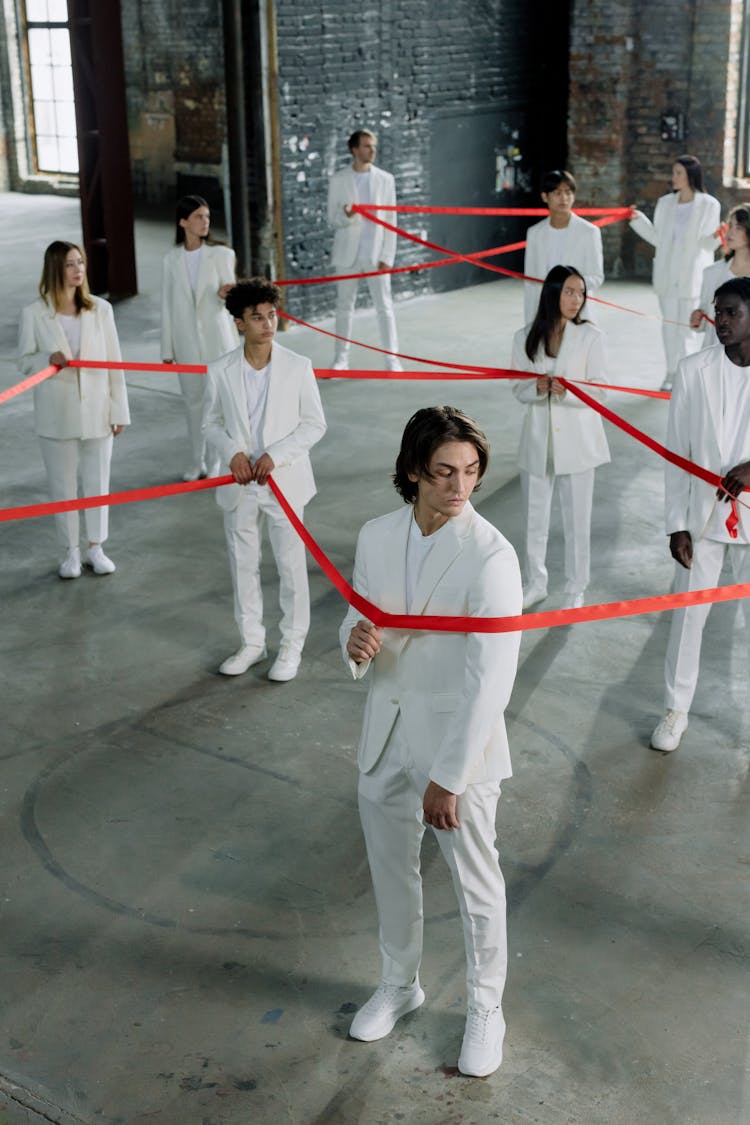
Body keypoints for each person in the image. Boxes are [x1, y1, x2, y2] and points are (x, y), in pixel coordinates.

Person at [340, 406, 522, 1078]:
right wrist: (353, 643)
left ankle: (485, 1008)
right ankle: (399, 982)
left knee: (476, 884)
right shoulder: (376, 534)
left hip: (456, 751)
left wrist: (449, 775)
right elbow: (361, 612)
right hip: (384, 735)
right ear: (414, 470)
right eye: (445, 472)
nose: (460, 487)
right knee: (390, 869)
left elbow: (490, 680)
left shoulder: (492, 557)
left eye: (471, 471)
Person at [203, 278, 327, 681]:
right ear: (239, 323)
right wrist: (232, 454)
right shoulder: (220, 369)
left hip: (284, 481)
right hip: (240, 485)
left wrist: (277, 456)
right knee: (243, 565)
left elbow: (314, 425)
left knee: (291, 566)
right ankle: (252, 643)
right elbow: (211, 422)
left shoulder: (297, 366)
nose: (267, 323)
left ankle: (291, 645)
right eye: (257, 317)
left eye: (271, 315)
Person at [651, 277, 750, 752]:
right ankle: (676, 710)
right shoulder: (693, 370)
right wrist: (676, 523)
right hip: (702, 518)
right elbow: (676, 452)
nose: (722, 322)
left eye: (732, 312)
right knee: (689, 617)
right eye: (718, 312)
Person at [18, 240, 130, 579]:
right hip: (57, 414)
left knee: (97, 481)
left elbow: (115, 363)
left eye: (80, 262)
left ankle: (96, 546)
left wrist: (119, 411)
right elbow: (23, 361)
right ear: (55, 268)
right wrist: (45, 360)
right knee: (62, 484)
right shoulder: (34, 313)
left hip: (97, 410)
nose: (78, 269)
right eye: (70, 264)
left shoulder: (101, 309)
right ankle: (70, 551)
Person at [512, 265, 610, 610]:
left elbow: (601, 392)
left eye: (581, 292)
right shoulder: (526, 335)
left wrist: (568, 391)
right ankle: (535, 582)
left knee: (576, 520)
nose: (576, 299)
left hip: (579, 444)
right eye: (569, 291)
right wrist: (535, 388)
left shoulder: (591, 336)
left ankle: (575, 587)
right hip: (539, 442)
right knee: (534, 519)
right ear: (552, 293)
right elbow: (517, 388)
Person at [161, 194, 238, 481]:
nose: (205, 222)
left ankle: (216, 461)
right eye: (198, 217)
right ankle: (197, 461)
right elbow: (167, 306)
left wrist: (224, 296)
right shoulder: (171, 260)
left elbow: (232, 300)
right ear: (183, 222)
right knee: (193, 403)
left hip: (218, 342)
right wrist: (166, 348)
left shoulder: (222, 255)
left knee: (217, 404)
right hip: (186, 343)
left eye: (207, 216)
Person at [629, 154, 721, 388]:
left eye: (678, 173)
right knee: (669, 326)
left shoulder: (709, 205)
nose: (674, 177)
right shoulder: (665, 203)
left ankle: (687, 374)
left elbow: (707, 245)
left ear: (691, 175)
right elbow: (657, 238)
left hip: (692, 276)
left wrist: (717, 237)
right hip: (667, 275)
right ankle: (671, 373)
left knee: (688, 329)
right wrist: (638, 220)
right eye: (674, 172)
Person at [327, 129, 402, 372]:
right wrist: (346, 216)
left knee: (385, 307)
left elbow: (391, 220)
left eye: (373, 146)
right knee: (343, 307)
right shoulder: (339, 179)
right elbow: (332, 219)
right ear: (355, 149)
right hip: (347, 254)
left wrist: (387, 256)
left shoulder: (385, 179)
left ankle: (391, 359)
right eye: (367, 146)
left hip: (376, 253)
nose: (373, 150)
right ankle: (341, 359)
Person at [523, 169, 604, 326]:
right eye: (557, 193)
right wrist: (529, 322)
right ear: (545, 196)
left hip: (577, 312)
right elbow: (530, 282)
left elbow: (596, 277)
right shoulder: (534, 233)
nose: (564, 198)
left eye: (568, 192)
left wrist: (568, 288)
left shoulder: (589, 232)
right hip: (544, 312)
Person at [690, 205, 750, 345]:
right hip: (715, 356)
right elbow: (705, 322)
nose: (730, 233)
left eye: (739, 227)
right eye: (730, 225)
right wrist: (697, 319)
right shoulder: (712, 273)